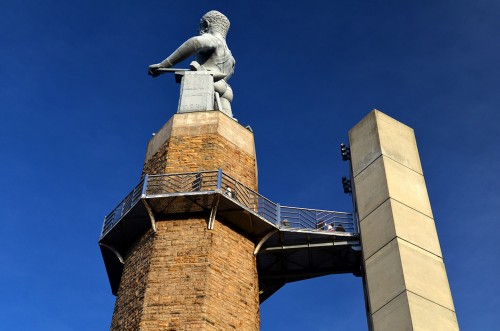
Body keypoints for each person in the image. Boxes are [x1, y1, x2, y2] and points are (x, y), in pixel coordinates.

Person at [148, 10, 236, 113]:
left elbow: (195, 43)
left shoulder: (212, 39)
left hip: (209, 83)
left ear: (206, 24)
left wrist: (164, 64)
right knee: (225, 121)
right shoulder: (231, 57)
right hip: (226, 90)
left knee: (196, 119)